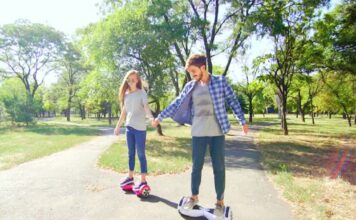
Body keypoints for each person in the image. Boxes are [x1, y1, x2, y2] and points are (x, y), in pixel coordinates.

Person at [152, 54, 248, 217]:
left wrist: (242, 121)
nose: (192, 75)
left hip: (217, 132)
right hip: (198, 131)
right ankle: (194, 197)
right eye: (190, 72)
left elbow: (233, 100)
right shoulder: (191, 86)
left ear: (203, 67)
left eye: (194, 71)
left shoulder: (220, 81)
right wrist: (160, 117)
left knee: (219, 168)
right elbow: (177, 102)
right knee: (196, 167)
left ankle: (220, 202)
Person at [114, 69, 154, 191]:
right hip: (129, 127)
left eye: (133, 80)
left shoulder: (142, 93)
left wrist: (151, 117)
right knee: (130, 154)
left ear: (137, 80)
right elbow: (124, 112)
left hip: (140, 128)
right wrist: (118, 126)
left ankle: (143, 180)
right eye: (129, 80)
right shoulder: (126, 95)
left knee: (141, 154)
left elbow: (146, 108)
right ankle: (130, 177)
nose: (131, 82)